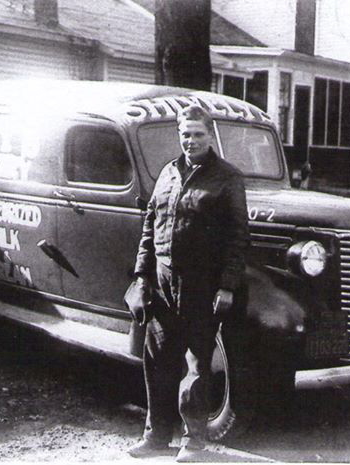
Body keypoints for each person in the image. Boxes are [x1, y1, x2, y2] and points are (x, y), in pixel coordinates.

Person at [126, 104, 250, 462]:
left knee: (196, 367)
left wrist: (226, 285)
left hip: (203, 285)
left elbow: (239, 237)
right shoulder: (168, 173)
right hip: (162, 283)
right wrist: (141, 276)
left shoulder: (227, 178)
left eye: (198, 134)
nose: (191, 141)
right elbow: (150, 226)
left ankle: (193, 442)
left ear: (210, 136)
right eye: (185, 134)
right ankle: (155, 437)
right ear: (178, 136)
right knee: (157, 361)